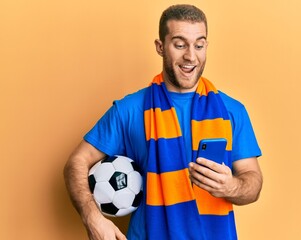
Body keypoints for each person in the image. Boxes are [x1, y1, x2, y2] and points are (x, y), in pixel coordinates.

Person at [64, 4, 263, 240]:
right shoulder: (129, 110)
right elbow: (76, 162)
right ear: (160, 47)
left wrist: (231, 186)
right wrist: (92, 217)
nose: (191, 55)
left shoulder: (232, 111)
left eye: (199, 45)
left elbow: (253, 181)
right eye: (179, 44)